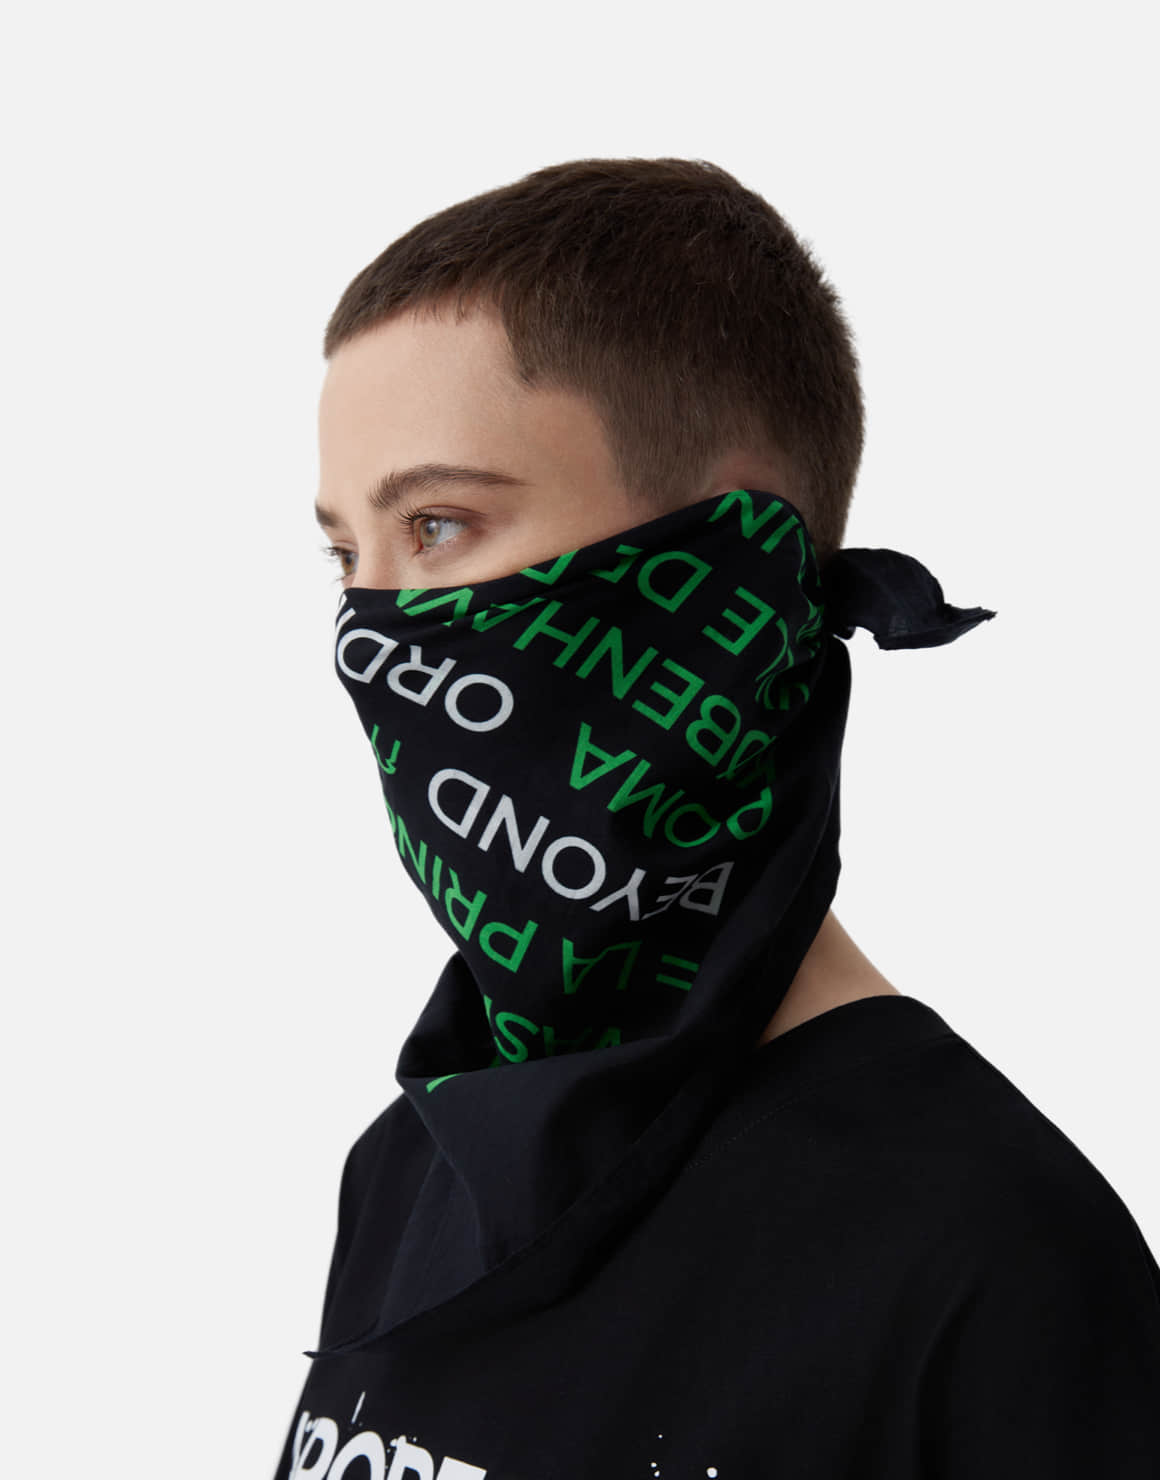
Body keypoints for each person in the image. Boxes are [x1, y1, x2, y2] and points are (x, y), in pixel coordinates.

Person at [275, 158, 1160, 1479]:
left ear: (719, 570)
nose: (373, 634)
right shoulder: (409, 1167)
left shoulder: (993, 1259)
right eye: (349, 554)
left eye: (441, 525)